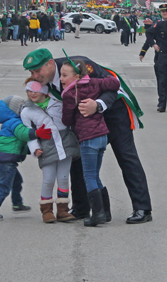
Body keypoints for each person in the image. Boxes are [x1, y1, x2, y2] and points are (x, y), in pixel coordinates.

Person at [24, 48, 152, 224]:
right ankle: (81, 207)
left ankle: (142, 208)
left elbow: (111, 86)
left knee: (126, 157)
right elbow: (32, 106)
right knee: (77, 160)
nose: (35, 75)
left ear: (51, 63)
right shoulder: (44, 81)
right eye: (32, 72)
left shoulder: (79, 66)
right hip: (84, 121)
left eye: (38, 70)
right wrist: (8, 130)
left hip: (113, 113)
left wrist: (98, 105)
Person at [60, 57, 120, 227]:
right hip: (102, 136)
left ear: (77, 77)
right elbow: (114, 83)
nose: (61, 79)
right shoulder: (95, 83)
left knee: (89, 177)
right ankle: (106, 212)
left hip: (88, 139)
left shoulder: (70, 94)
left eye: (65, 75)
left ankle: (97, 214)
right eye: (60, 75)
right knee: (95, 175)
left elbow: (66, 120)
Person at [20, 79, 79, 223]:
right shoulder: (27, 111)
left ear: (45, 91)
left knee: (64, 179)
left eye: (36, 90)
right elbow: (29, 133)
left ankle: (63, 210)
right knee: (48, 180)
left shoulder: (58, 103)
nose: (32, 93)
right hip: (46, 147)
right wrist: (35, 149)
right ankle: (46, 211)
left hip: (66, 144)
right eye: (29, 90)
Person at [0, 95, 52, 221]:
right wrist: (37, 133)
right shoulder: (14, 122)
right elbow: (23, 134)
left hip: (6, 160)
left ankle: (17, 204)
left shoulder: (8, 122)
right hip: (8, 161)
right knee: (4, 187)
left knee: (17, 181)